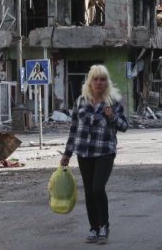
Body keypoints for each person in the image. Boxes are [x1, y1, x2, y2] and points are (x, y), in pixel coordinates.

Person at [60, 64, 129, 244]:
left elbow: (124, 126)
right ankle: (94, 228)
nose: (99, 82)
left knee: (98, 188)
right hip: (84, 152)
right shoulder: (81, 101)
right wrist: (67, 153)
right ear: (89, 82)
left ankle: (104, 227)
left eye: (103, 79)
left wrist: (111, 116)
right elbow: (74, 128)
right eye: (95, 79)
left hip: (105, 151)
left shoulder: (113, 102)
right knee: (89, 192)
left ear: (107, 82)